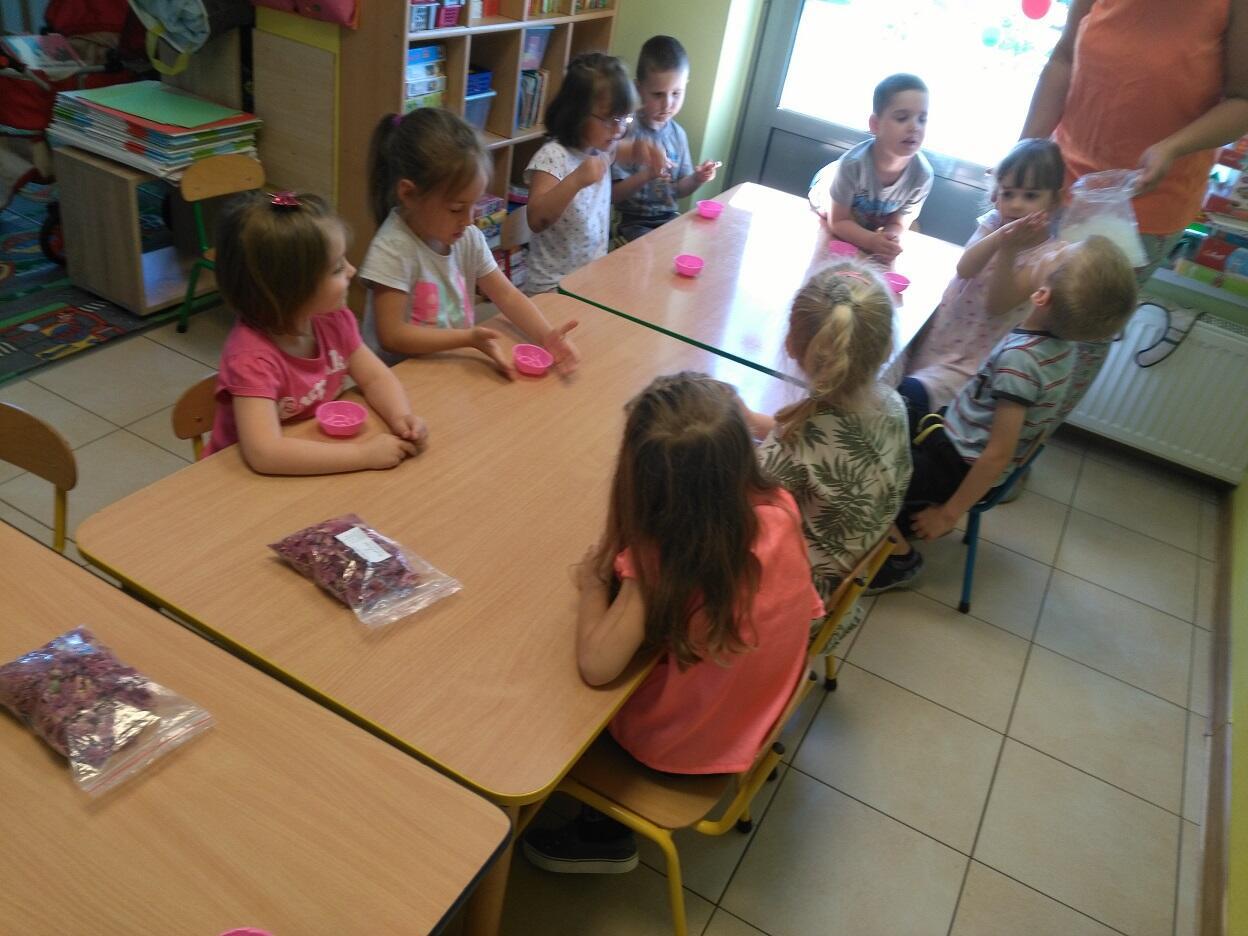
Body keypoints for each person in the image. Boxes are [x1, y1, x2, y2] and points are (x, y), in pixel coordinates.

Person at [523, 372, 824, 872]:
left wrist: (595, 584)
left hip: (683, 746)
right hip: (763, 706)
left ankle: (604, 834)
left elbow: (597, 665)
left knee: (552, 703)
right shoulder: (780, 506)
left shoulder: (665, 559)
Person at [868, 235, 1138, 592]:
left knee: (867, 473)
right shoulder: (1061, 345)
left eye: (1058, 254)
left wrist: (948, 514)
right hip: (956, 433)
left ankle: (900, 559)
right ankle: (902, 509)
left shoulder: (1021, 361)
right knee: (909, 393)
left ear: (1041, 297)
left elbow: (998, 453)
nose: (1054, 247)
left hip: (958, 463)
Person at [1020, 0, 1248, 403]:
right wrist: (1024, 155)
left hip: (1143, 206)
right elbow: (1063, 58)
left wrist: (1173, 147)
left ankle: (1021, 439)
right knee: (1016, 308)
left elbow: (1242, 101)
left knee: (1076, 340)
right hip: (1058, 178)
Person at [205, 191, 427, 475]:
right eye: (337, 268)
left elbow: (375, 377)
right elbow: (265, 453)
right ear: (291, 290)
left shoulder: (334, 320)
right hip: (240, 481)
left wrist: (401, 416)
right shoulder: (252, 359)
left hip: (310, 451)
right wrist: (363, 455)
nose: (352, 270)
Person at [752, 263, 911, 646]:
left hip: (789, 617)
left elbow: (727, 520)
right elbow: (821, 441)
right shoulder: (893, 406)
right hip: (839, 596)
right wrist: (750, 420)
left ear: (792, 345)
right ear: (885, 349)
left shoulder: (790, 447)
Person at [360, 108, 579, 377]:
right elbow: (392, 336)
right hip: (400, 379)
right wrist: (466, 338)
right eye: (456, 208)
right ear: (408, 194)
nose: (469, 219)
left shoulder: (467, 236)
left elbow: (507, 296)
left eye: (475, 204)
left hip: (450, 368)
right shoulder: (393, 249)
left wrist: (547, 336)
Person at [900, 139, 1065, 421]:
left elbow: (998, 304)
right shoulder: (993, 222)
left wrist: (1009, 249)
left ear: (1054, 200)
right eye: (1008, 193)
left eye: (1030, 195)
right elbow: (965, 268)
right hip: (946, 331)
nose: (1016, 205)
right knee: (903, 377)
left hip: (977, 355)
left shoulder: (1050, 256)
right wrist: (1001, 237)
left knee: (917, 398)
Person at [524, 52, 666, 294]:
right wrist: (576, 180)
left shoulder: (602, 147)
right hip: (552, 287)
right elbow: (536, 219)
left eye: (624, 118)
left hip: (591, 277)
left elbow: (631, 149)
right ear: (576, 114)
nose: (619, 129)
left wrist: (648, 150)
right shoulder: (553, 156)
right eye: (609, 119)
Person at [808, 73, 933, 262]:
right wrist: (871, 240)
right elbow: (838, 221)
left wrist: (889, 238)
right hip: (828, 189)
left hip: (872, 212)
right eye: (902, 118)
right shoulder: (852, 165)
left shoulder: (922, 176)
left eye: (922, 119)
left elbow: (899, 222)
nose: (914, 127)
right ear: (875, 124)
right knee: (831, 231)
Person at [610, 35, 720, 242]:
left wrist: (697, 179)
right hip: (633, 223)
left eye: (676, 93)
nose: (668, 104)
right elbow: (613, 195)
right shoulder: (626, 132)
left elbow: (678, 189)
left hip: (669, 219)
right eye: (658, 94)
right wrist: (647, 175)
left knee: (698, 240)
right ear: (639, 89)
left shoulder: (678, 135)